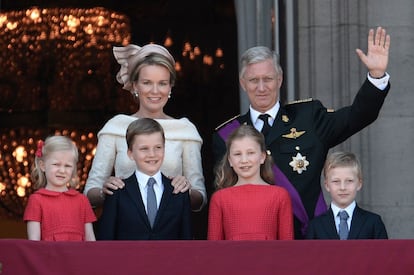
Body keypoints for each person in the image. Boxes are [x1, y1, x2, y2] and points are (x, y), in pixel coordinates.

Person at [212, 27, 391, 239]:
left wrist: (376, 77)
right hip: (255, 242)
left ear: (279, 80)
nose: (261, 87)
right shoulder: (226, 135)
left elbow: (357, 117)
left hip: (309, 236)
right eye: (253, 80)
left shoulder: (309, 117)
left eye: (268, 79)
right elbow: (223, 195)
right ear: (243, 84)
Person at [84, 43, 207, 212]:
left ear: (170, 86)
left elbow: (199, 199)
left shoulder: (185, 130)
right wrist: (105, 191)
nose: (155, 91)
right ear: (135, 85)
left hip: (171, 230)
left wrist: (186, 189)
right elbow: (90, 193)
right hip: (124, 228)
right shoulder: (115, 126)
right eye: (147, 83)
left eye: (162, 83)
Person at [98, 118, 192, 240]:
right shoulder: (117, 192)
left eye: (158, 147)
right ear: (130, 153)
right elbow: (106, 240)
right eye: (144, 148)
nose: (152, 154)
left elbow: (187, 242)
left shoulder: (179, 191)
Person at [208, 125, 293, 240]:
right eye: (237, 154)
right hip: (230, 258)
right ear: (230, 160)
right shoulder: (219, 198)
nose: (244, 160)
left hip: (270, 258)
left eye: (251, 153)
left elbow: (287, 246)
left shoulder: (280, 195)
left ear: (262, 157)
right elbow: (214, 248)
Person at [23, 136, 96, 241]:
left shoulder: (82, 200)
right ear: (42, 165)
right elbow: (34, 244)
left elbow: (91, 241)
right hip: (49, 256)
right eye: (56, 164)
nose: (62, 170)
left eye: (68, 166)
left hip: (78, 256)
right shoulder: (36, 200)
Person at [306, 151, 388, 239]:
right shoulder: (316, 226)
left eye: (349, 181)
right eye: (336, 181)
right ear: (327, 185)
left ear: (359, 184)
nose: (342, 187)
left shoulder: (373, 222)